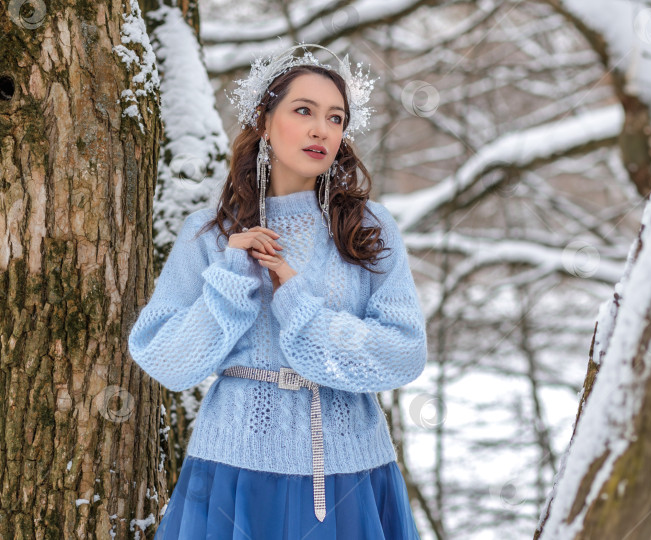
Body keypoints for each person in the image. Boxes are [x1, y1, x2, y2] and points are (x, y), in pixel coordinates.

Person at [127, 42, 427, 539]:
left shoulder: (369, 229)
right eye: (303, 110)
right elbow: (165, 360)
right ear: (264, 121)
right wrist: (230, 280)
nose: (320, 129)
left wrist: (297, 303)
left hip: (350, 472)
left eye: (335, 118)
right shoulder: (211, 233)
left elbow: (404, 352)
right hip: (234, 470)